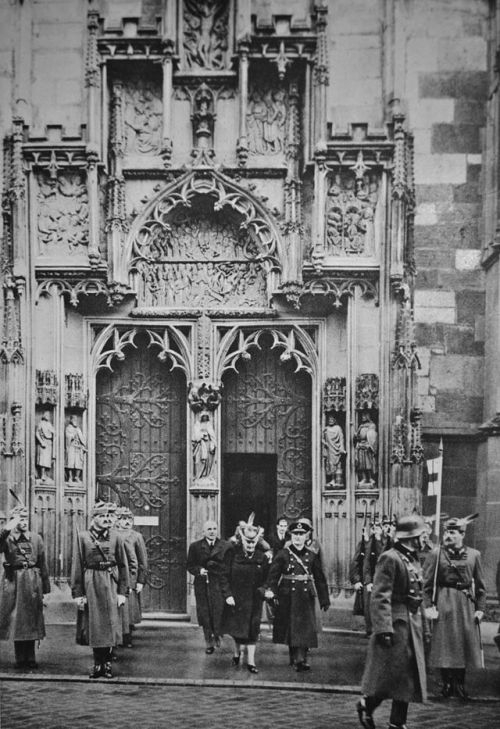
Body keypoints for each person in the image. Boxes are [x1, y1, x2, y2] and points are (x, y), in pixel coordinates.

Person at [357, 514, 427, 729]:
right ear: (411, 537)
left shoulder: (413, 558)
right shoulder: (390, 557)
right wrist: (384, 628)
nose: (424, 539)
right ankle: (366, 705)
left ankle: (397, 723)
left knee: (406, 677)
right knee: (390, 677)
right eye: (421, 535)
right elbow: (380, 596)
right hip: (395, 625)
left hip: (411, 624)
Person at [422, 514, 486, 700]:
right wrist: (428, 606)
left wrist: (480, 608)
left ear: (462, 534)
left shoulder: (474, 555)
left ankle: (460, 684)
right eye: (446, 532)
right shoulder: (436, 554)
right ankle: (447, 684)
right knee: (445, 643)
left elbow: (481, 587)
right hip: (444, 600)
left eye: (452, 532)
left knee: (463, 643)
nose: (447, 536)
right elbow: (426, 585)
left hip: (466, 603)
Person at [71, 501, 129, 679]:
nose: (106, 519)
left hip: (110, 582)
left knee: (111, 624)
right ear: (94, 518)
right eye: (102, 516)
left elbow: (123, 565)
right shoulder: (82, 538)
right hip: (91, 583)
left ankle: (108, 664)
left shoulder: (117, 537)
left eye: (108, 516)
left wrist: (122, 592)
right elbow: (77, 565)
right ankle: (98, 664)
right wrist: (78, 593)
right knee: (95, 625)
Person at [265, 518, 330, 672]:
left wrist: (324, 599)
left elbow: (320, 578)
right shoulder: (283, 554)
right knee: (291, 627)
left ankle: (301, 659)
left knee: (305, 628)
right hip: (288, 595)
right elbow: (273, 576)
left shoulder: (312, 555)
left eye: (301, 534)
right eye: (295, 534)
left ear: (306, 536)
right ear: (291, 536)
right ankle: (295, 658)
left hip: (306, 595)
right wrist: (271, 592)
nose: (298, 537)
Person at [0, 504, 50, 669]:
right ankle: (20, 657)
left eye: (26, 518)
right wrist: (7, 528)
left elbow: (43, 563)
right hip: (15, 581)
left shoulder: (36, 538)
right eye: (20, 518)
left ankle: (30, 657)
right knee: (17, 620)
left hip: (33, 580)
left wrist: (46, 589)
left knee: (31, 618)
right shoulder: (7, 538)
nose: (24, 521)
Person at [221, 514, 269, 673]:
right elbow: (224, 576)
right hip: (237, 598)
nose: (250, 545)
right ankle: (236, 653)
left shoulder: (262, 558)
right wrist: (228, 595)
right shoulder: (233, 555)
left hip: (255, 598)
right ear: (242, 541)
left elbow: (269, 579)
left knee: (253, 629)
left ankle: (251, 662)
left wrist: (264, 590)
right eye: (247, 542)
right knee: (238, 629)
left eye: (253, 542)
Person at [186, 520, 229, 653]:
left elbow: (228, 565)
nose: (212, 531)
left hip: (218, 584)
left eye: (214, 528)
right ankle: (208, 643)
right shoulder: (195, 546)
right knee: (205, 613)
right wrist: (199, 571)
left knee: (218, 611)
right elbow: (190, 565)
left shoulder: (226, 546)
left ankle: (217, 634)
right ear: (203, 532)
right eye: (209, 529)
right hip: (202, 585)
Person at [115, 506, 148, 648]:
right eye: (123, 519)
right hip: (115, 575)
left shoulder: (136, 536)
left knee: (128, 608)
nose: (127, 521)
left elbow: (142, 560)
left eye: (129, 519)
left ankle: (126, 635)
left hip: (131, 576)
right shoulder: (111, 534)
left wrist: (141, 580)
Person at [354, 411, 378, 485]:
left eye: (364, 416)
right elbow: (357, 436)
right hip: (361, 445)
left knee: (369, 464)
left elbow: (373, 436)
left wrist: (370, 445)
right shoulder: (361, 426)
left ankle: (371, 478)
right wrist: (356, 435)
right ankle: (364, 478)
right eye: (362, 416)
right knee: (361, 464)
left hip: (368, 446)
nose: (362, 418)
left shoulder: (372, 425)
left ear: (368, 416)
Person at [322, 413, 346, 486]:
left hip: (336, 448)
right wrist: (324, 443)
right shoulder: (326, 428)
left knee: (338, 464)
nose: (330, 421)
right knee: (330, 464)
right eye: (329, 419)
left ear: (335, 420)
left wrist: (342, 447)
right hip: (330, 449)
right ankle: (332, 480)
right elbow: (321, 438)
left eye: (332, 419)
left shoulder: (338, 428)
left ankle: (339, 481)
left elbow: (341, 438)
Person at [192, 412, 216, 479]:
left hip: (207, 444)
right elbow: (195, 436)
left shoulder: (209, 425)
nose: (204, 418)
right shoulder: (197, 424)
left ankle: (206, 475)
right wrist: (201, 436)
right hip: (199, 445)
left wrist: (213, 443)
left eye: (206, 416)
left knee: (207, 461)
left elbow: (212, 435)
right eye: (203, 416)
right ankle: (197, 476)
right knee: (198, 460)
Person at [65, 415, 87, 482]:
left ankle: (77, 477)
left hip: (78, 448)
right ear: (71, 420)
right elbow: (67, 436)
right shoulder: (68, 428)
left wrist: (83, 444)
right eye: (74, 420)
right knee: (70, 462)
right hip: (71, 447)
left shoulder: (78, 429)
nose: (75, 421)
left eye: (76, 420)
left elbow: (82, 439)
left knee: (78, 463)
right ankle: (70, 477)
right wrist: (72, 435)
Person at [35, 410, 55, 481]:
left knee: (47, 460)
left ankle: (46, 475)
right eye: (47, 415)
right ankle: (42, 474)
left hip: (49, 443)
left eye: (49, 416)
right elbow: (37, 433)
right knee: (42, 459)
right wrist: (41, 442)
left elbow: (53, 432)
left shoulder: (49, 424)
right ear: (44, 416)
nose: (48, 417)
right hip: (43, 442)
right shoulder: (41, 423)